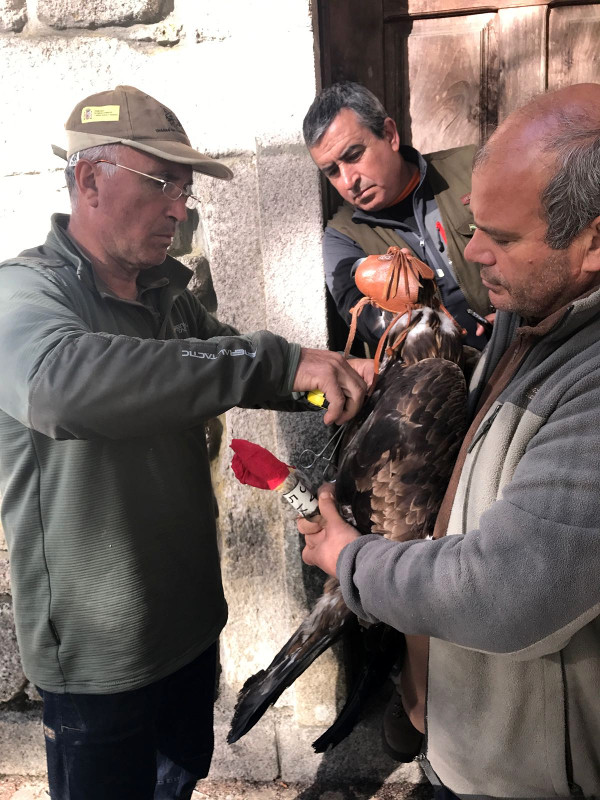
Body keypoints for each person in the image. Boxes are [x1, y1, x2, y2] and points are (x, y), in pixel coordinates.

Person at [0, 85, 371, 800]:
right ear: (88, 180)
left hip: (190, 630)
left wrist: (334, 373)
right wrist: (270, 361)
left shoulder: (168, 294)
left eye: (186, 187)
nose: (180, 208)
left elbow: (225, 359)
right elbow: (59, 386)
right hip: (99, 660)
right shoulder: (27, 295)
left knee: (177, 786)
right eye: (161, 183)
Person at [298, 82, 600, 799]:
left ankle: (415, 710)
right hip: (483, 749)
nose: (476, 253)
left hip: (536, 778)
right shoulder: (525, 316)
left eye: (499, 236)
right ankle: (419, 708)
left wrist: (352, 563)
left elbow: (504, 593)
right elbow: (369, 319)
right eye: (473, 230)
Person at [303, 81, 493, 353]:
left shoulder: (474, 169)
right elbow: (366, 318)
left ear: (390, 134)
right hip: (439, 380)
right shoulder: (342, 239)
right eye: (332, 171)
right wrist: (430, 327)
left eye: (354, 155)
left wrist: (516, 312)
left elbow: (539, 239)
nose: (348, 181)